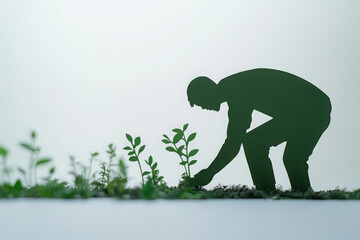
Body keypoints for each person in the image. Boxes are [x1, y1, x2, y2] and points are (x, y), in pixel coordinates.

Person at [187, 68, 331, 191]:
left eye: (200, 102)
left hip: (312, 109)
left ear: (206, 92)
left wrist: (209, 173)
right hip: (311, 108)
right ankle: (297, 194)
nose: (203, 107)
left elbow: (233, 142)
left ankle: (267, 193)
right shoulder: (233, 87)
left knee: (256, 144)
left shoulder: (235, 89)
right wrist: (209, 173)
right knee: (292, 158)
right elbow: (234, 140)